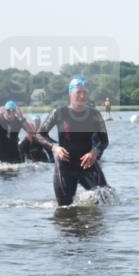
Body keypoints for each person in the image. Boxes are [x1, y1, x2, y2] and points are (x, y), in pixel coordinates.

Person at [37, 76, 110, 206]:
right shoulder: (59, 112)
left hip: (87, 164)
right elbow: (40, 135)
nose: (82, 96)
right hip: (65, 166)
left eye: (85, 92)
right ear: (70, 94)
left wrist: (95, 151)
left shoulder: (95, 115)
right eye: (78, 92)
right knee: (65, 208)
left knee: (106, 199)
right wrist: (55, 147)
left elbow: (104, 141)